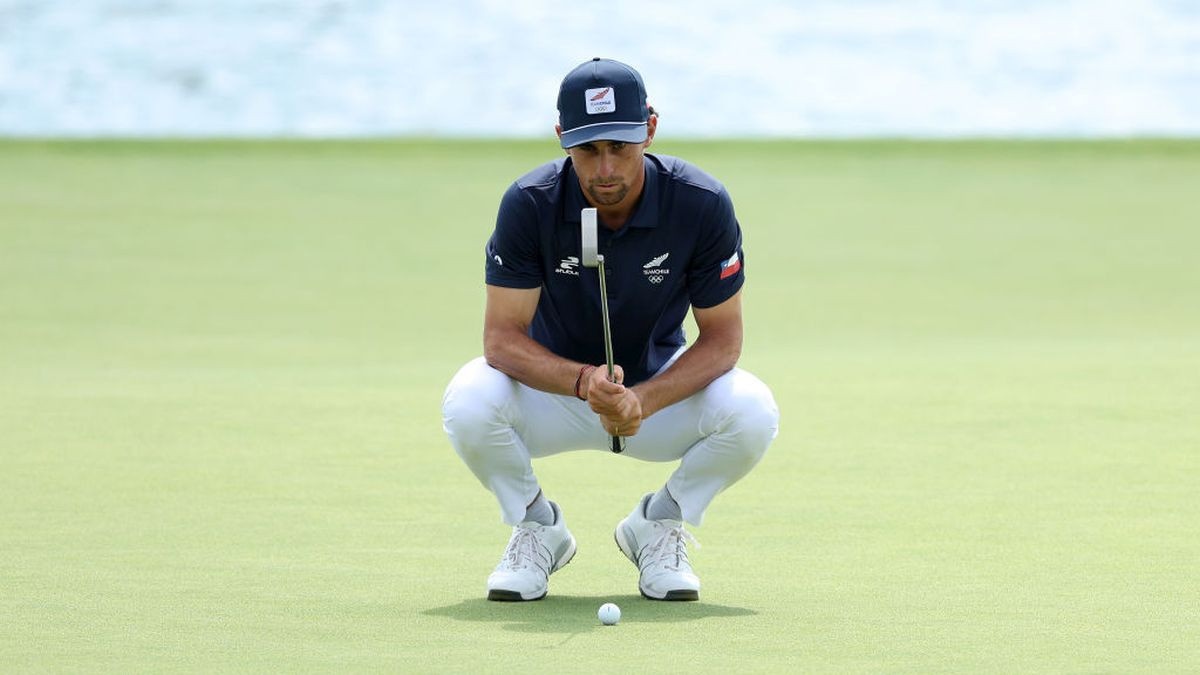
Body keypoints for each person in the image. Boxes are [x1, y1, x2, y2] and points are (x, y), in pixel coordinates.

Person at [442, 57, 779, 602]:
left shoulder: (700, 203)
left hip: (654, 400)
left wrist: (641, 400)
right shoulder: (530, 204)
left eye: (619, 147)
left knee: (752, 410)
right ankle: (536, 528)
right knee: (469, 398)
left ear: (649, 129)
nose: (604, 169)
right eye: (587, 149)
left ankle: (659, 524)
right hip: (554, 395)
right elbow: (500, 339)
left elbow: (723, 340)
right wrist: (582, 383)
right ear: (562, 140)